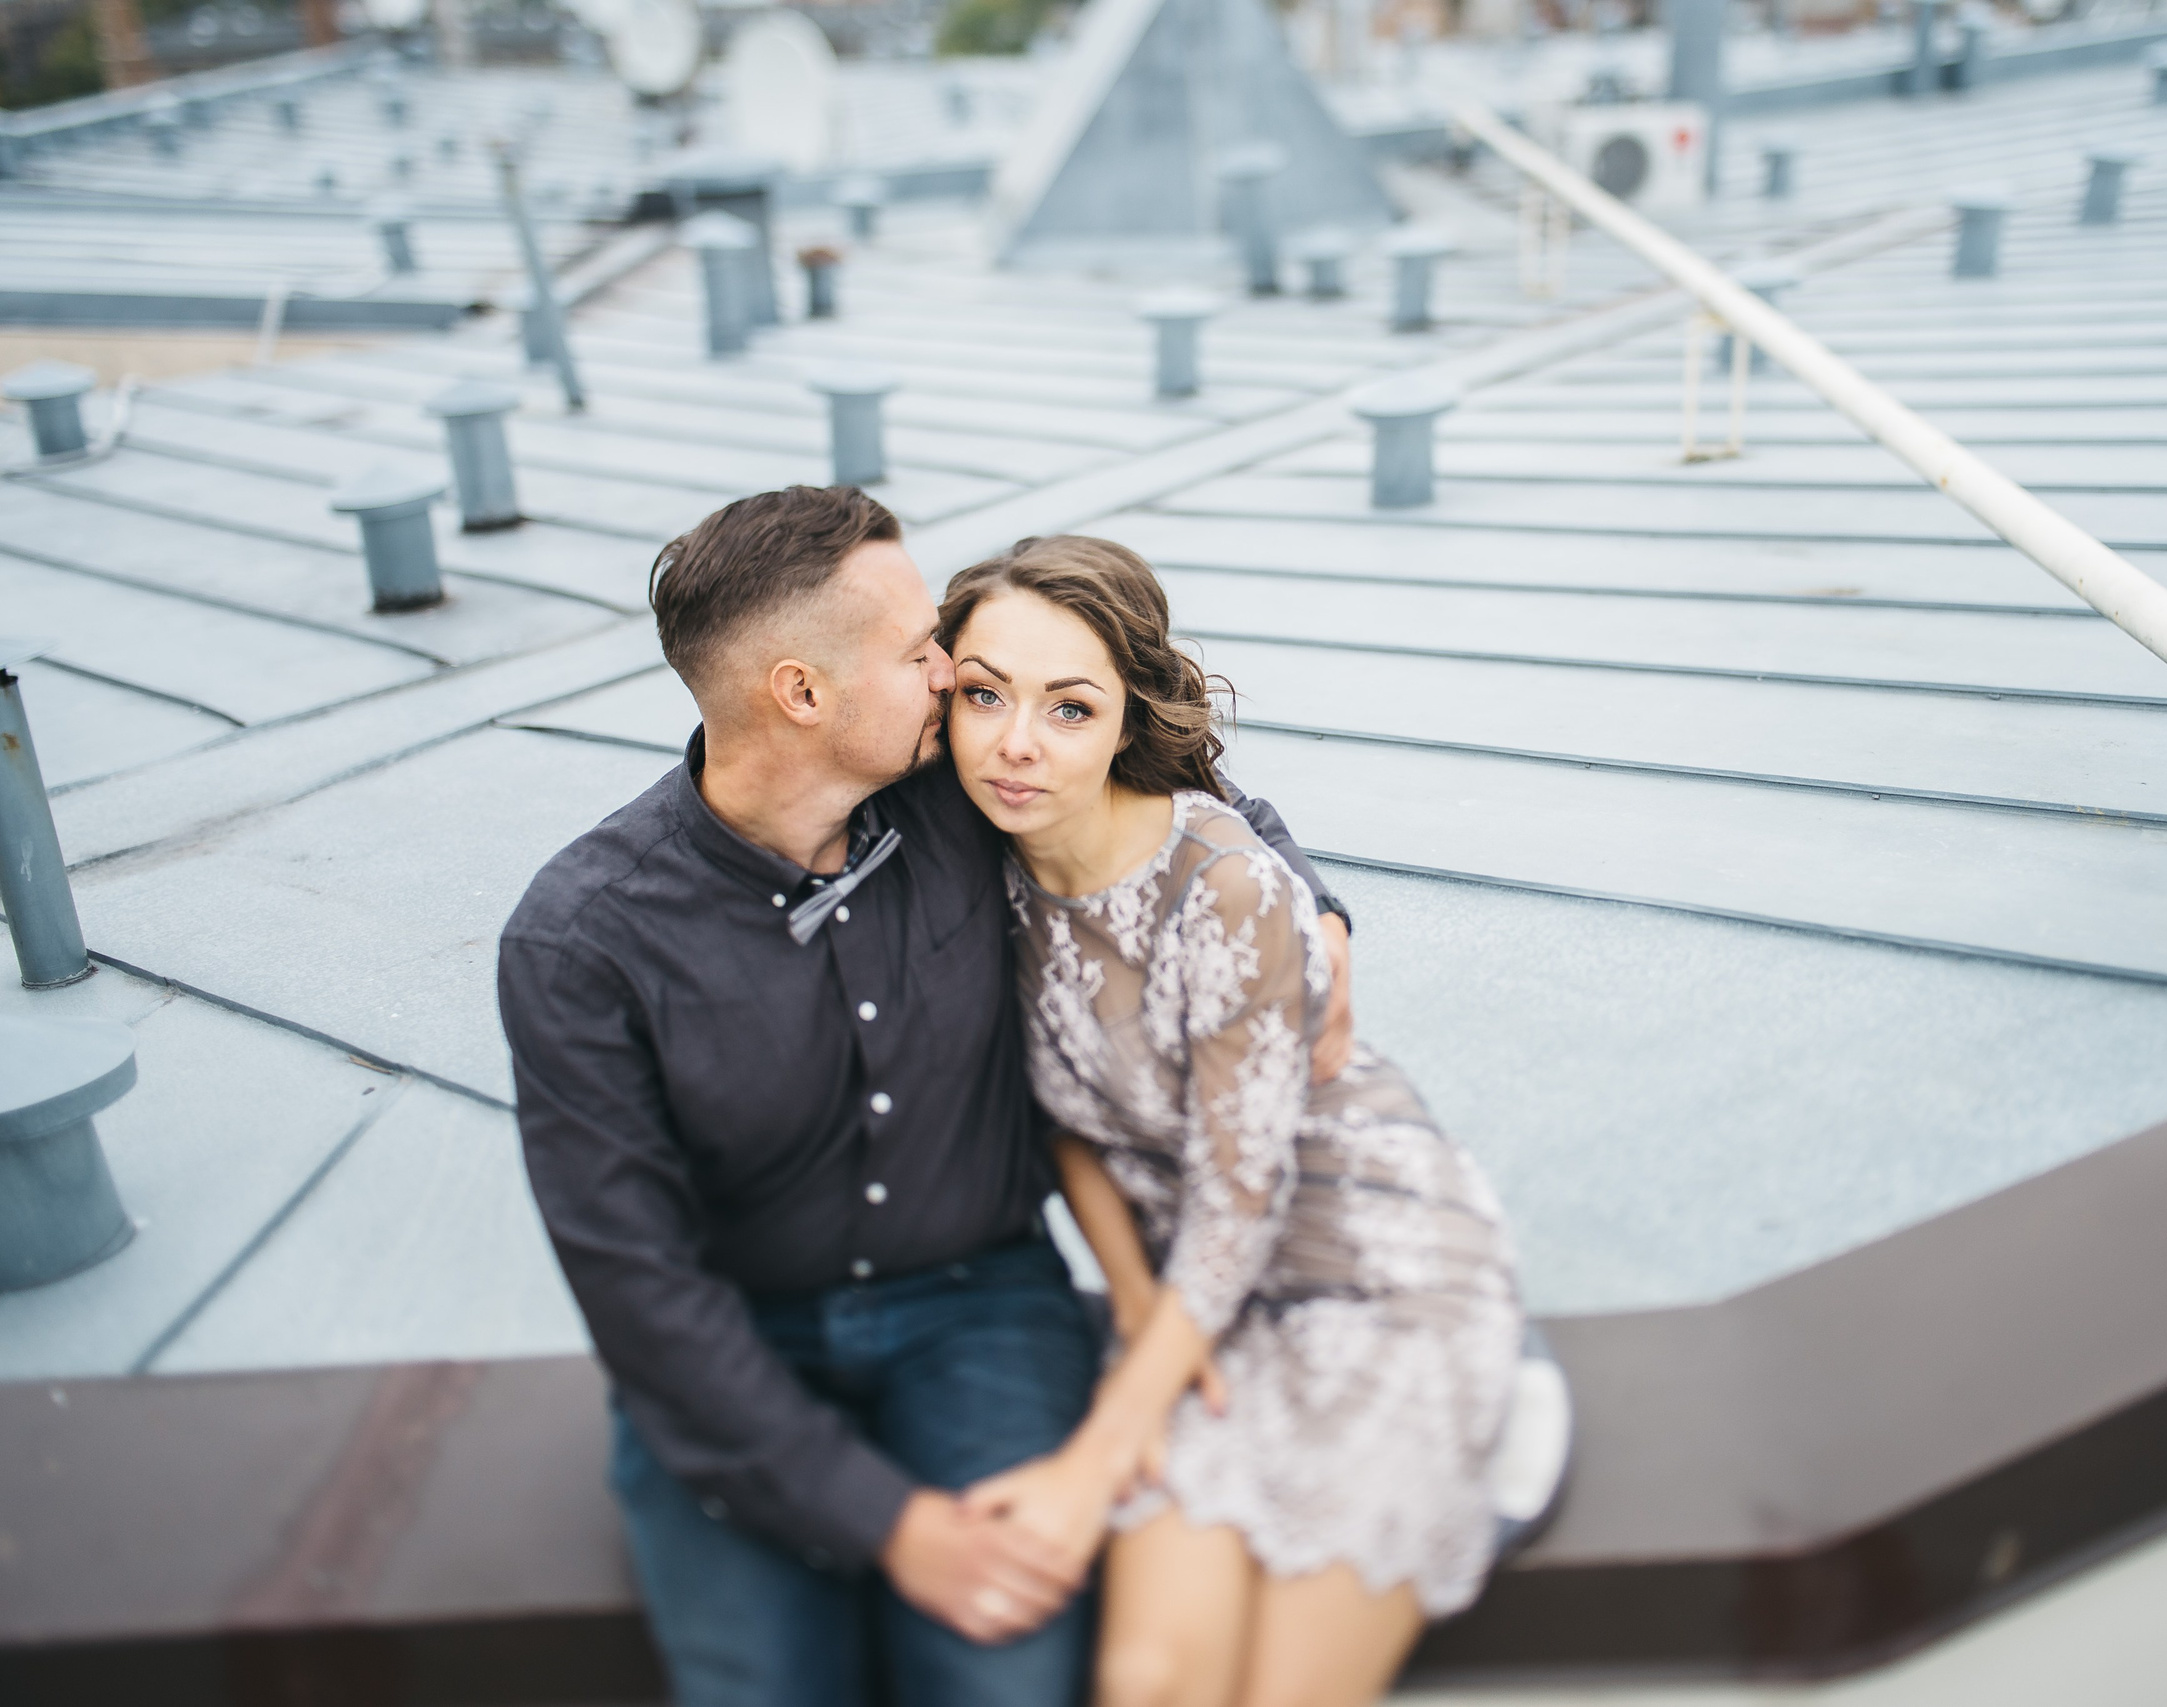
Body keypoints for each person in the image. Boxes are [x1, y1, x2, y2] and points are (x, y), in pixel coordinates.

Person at [496, 487, 1354, 1707]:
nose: (952, 673)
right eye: (918, 653)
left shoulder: (964, 786)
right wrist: (896, 1529)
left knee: (1006, 1679)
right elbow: (639, 1292)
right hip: (741, 1347)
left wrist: (1314, 905)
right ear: (801, 694)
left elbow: (1178, 797)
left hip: (978, 1310)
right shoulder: (582, 944)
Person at [935, 535, 1523, 1707]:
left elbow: (1241, 1196)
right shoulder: (977, 867)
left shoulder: (1224, 885)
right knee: (1148, 1680)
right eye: (984, 694)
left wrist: (1100, 1445)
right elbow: (1069, 1129)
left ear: (1122, 723)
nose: (1015, 742)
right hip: (1195, 1300)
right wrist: (1143, 1313)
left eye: (1068, 708)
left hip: (1370, 1269)